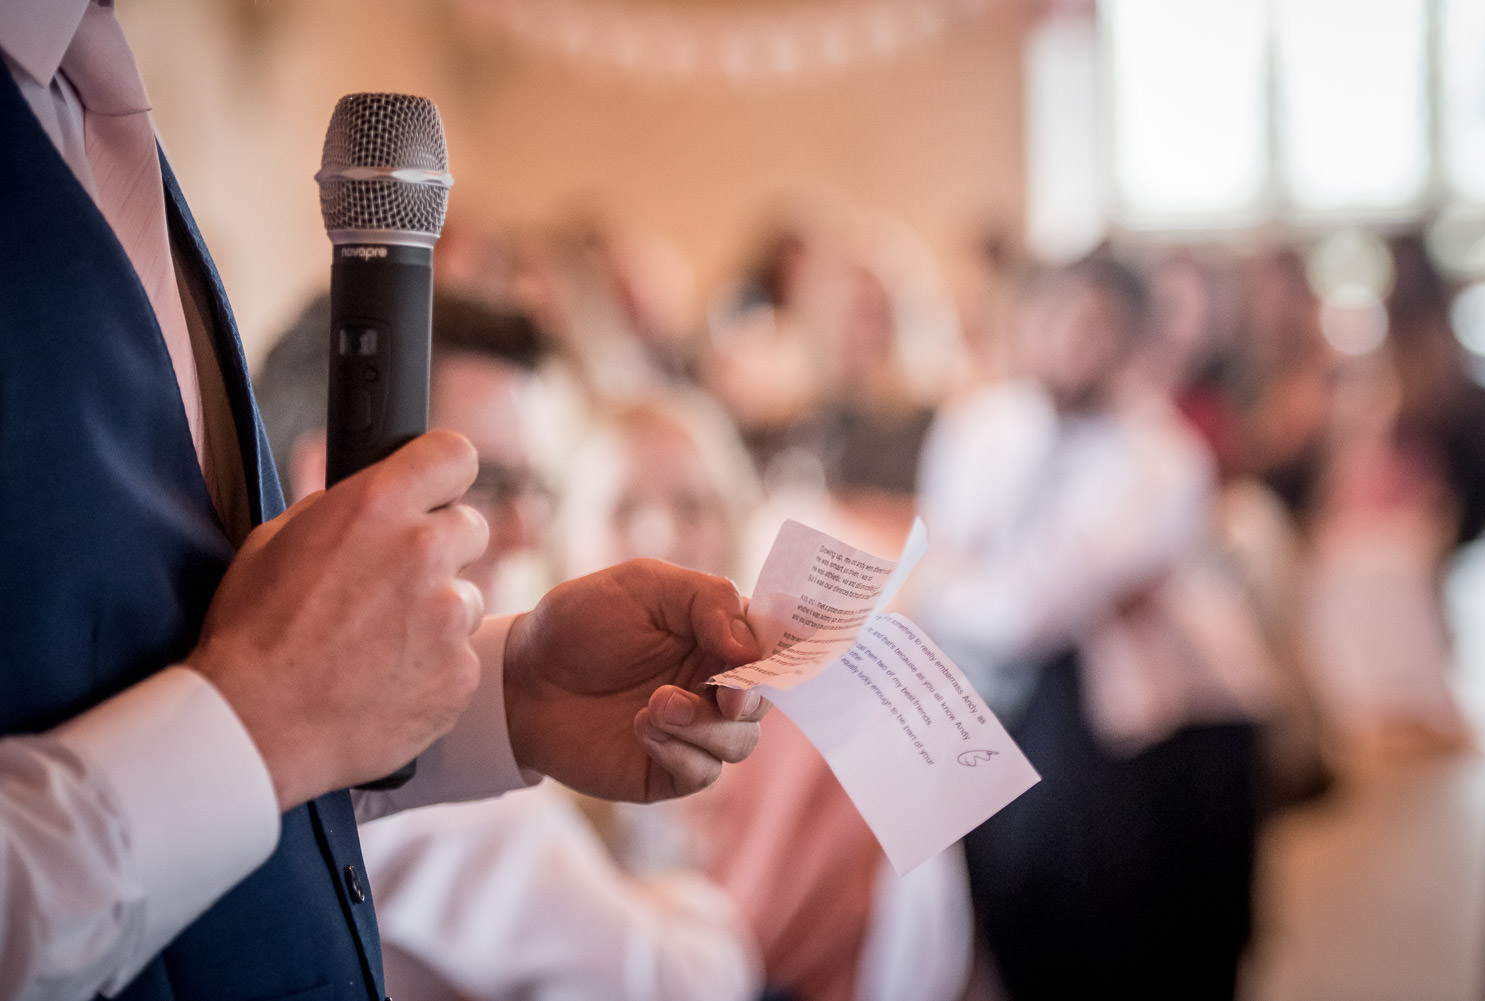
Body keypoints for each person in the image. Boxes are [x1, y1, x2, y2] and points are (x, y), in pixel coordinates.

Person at [0, 5, 766, 1000]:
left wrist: (509, 690)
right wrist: (253, 725)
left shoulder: (87, 94)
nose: (513, 523)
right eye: (486, 479)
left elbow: (136, 658)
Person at [256, 291, 765, 1001]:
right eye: (485, 485)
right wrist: (696, 905)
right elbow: (669, 983)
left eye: (536, 490)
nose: (525, 534)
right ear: (331, 485)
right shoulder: (390, 743)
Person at [913, 251, 1269, 1001]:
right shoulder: (979, 425)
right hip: (981, 691)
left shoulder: (1160, 452)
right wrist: (966, 585)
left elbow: (1025, 608)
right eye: (1059, 315)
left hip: (1126, 727)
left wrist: (963, 584)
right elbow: (945, 567)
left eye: (1101, 323)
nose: (1076, 339)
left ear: (1133, 338)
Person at [551, 390, 975, 1001]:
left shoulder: (817, 718)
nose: (662, 534)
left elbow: (920, 931)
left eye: (693, 506)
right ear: (563, 535)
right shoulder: (528, 738)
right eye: (622, 508)